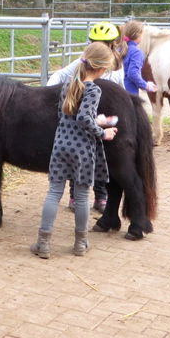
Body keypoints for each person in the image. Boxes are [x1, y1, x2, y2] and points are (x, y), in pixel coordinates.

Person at [31, 41, 118, 259]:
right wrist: (103, 132)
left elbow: (67, 116)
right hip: (81, 148)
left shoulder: (69, 84)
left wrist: (96, 120)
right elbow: (83, 118)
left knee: (54, 193)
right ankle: (80, 243)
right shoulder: (93, 89)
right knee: (81, 196)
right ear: (101, 68)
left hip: (61, 143)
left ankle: (43, 243)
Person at [46, 20, 125, 213]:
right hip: (87, 119)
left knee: (102, 157)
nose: (99, 47)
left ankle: (101, 196)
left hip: (104, 118)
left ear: (112, 45)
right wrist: (47, 94)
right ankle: (75, 195)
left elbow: (122, 91)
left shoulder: (116, 68)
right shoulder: (83, 62)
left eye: (104, 43)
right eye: (95, 43)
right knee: (81, 158)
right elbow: (59, 75)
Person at [120, 20, 157, 98]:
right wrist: (146, 85)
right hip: (130, 93)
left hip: (117, 89)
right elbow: (132, 74)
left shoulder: (119, 48)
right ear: (138, 35)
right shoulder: (136, 52)